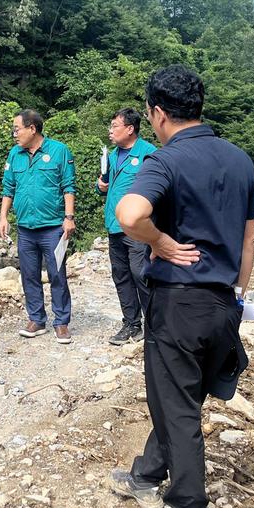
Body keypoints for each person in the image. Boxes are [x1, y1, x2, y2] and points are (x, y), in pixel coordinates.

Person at [107, 65, 254, 508]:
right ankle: (147, 474)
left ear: (156, 113)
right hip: (224, 301)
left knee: (178, 407)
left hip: (178, 303)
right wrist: (237, 293)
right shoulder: (240, 160)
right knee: (180, 398)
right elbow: (249, 236)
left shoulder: (165, 160)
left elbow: (129, 214)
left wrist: (163, 243)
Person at [0, 109, 77, 344]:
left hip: (53, 227)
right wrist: (3, 217)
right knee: (29, 276)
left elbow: (68, 186)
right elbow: (8, 188)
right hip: (25, 228)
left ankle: (61, 322)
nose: (14, 134)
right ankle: (36, 319)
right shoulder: (15, 154)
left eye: (17, 129)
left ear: (32, 129)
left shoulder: (59, 151)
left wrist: (69, 217)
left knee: (57, 274)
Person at [96, 108, 157, 345]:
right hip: (114, 226)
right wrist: (100, 187)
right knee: (120, 275)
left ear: (130, 129)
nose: (110, 131)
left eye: (114, 126)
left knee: (141, 273)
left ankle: (154, 324)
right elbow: (106, 187)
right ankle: (131, 324)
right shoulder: (111, 156)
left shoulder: (149, 154)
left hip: (138, 228)